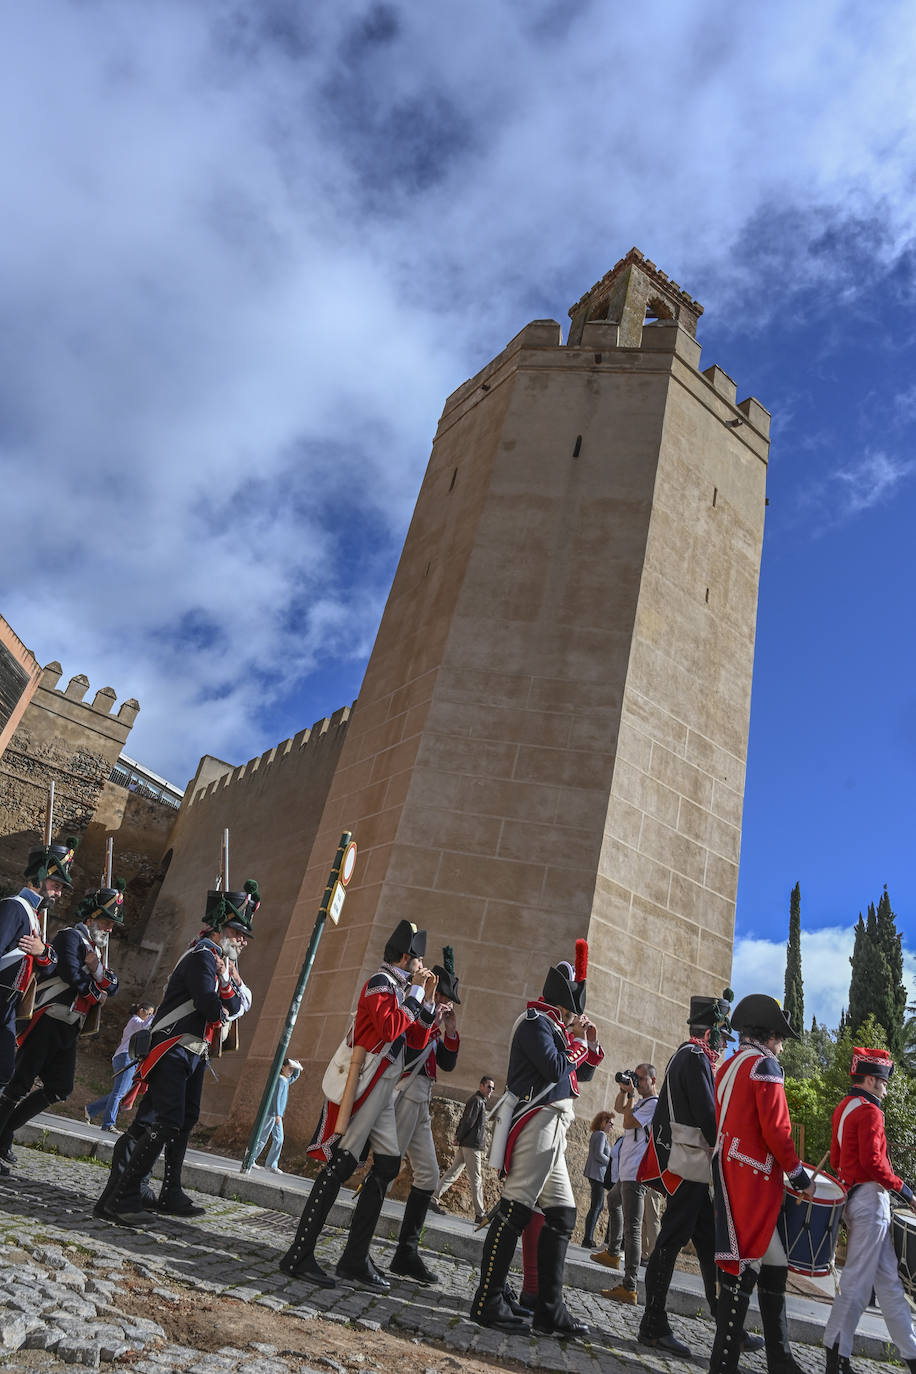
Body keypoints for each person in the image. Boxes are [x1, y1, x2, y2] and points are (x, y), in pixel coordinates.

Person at [280, 920, 437, 1292]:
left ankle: (354, 1258)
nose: (420, 966)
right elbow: (388, 1028)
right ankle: (299, 1253)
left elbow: (414, 1038)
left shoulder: (402, 988)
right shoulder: (380, 983)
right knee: (342, 1163)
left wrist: (426, 1000)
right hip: (368, 1084)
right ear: (406, 956)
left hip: (386, 1087)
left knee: (386, 1163)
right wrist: (415, 994)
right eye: (417, 960)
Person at [93, 882, 258, 1223]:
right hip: (173, 1049)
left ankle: (158, 1191)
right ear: (221, 927)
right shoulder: (202, 959)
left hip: (193, 1053)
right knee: (165, 1122)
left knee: (177, 1121)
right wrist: (226, 990)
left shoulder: (215, 962)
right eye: (238, 932)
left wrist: (228, 988)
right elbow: (214, 1009)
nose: (242, 940)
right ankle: (122, 1196)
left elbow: (229, 1004)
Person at [470, 940, 604, 1339]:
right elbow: (553, 1067)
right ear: (562, 1004)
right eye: (571, 1010)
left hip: (556, 1124)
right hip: (536, 1121)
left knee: (562, 1215)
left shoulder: (555, 1028)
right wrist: (579, 1043)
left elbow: (577, 1075)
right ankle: (487, 1301)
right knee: (515, 1210)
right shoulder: (534, 1023)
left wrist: (589, 1044)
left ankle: (549, 1309)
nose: (573, 1016)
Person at [636, 990, 757, 1358]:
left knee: (707, 1245)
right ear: (711, 1032)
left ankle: (727, 1326)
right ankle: (653, 1323)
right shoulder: (694, 1057)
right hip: (688, 1166)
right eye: (722, 1036)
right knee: (671, 1241)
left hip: (693, 1166)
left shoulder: (691, 1055)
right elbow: (708, 1116)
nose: (723, 1044)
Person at [708, 993, 815, 1374]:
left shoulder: (731, 1065)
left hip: (727, 1169)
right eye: (780, 1038)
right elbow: (777, 1130)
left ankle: (780, 1359)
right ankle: (723, 1364)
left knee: (773, 1264)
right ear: (769, 1036)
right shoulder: (765, 1066)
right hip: (751, 1176)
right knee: (743, 1266)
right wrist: (798, 1174)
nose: (782, 1046)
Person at [0, 874, 122, 1176]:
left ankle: (5, 1131)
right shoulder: (71, 936)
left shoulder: (94, 951)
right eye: (106, 921)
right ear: (92, 917)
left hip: (70, 1026)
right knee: (18, 1084)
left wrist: (96, 968)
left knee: (59, 1088)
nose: (109, 928)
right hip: (48, 1019)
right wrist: (96, 991)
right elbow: (70, 974)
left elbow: (114, 985)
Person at [823, 1047, 916, 1374]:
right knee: (857, 1285)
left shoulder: (843, 1109)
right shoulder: (871, 1112)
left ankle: (912, 1353)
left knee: (889, 1283)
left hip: (854, 1198)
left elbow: (837, 1161)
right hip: (871, 1201)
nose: (886, 1089)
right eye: (884, 1082)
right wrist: (907, 1192)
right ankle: (835, 1355)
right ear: (872, 1080)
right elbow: (876, 1164)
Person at [390, 946, 462, 1284]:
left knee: (429, 1177)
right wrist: (433, 1013)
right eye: (446, 997)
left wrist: (451, 1030)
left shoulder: (437, 1017)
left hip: (424, 1094)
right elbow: (411, 1045)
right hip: (407, 1090)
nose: (448, 1003)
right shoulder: (420, 1005)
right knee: (387, 1168)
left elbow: (446, 1063)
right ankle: (357, 1251)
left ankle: (406, 1252)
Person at [0, 839, 70, 1090]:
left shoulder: (35, 919)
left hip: (9, 1006)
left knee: (4, 1071)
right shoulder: (14, 908)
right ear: (38, 878)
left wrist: (42, 951)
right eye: (55, 885)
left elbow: (50, 967)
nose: (59, 893)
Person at [601, 1063, 657, 1305]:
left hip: (637, 1172)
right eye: (637, 1078)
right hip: (627, 1170)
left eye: (642, 1079)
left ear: (653, 1081)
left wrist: (632, 1094)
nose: (639, 1082)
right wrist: (625, 1090)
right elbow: (617, 1108)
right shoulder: (641, 1101)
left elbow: (627, 1123)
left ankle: (630, 1286)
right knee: (613, 1200)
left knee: (633, 1229)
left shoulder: (653, 1104)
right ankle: (613, 1253)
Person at [433, 1074, 495, 1222]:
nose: (491, 1090)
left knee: (453, 1173)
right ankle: (480, 1214)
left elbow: (466, 1121)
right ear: (481, 1086)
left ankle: (433, 1198)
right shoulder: (477, 1101)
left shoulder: (479, 1101)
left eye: (492, 1088)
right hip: (471, 1145)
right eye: (489, 1087)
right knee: (476, 1179)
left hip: (467, 1144)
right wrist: (458, 1137)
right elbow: (467, 1121)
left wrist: (459, 1138)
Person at [85, 1000, 155, 1131]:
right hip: (125, 1056)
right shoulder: (135, 1021)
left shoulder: (139, 1022)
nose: (150, 1016)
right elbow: (146, 1026)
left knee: (120, 1092)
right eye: (149, 1013)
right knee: (119, 1093)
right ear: (141, 1011)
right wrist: (157, 1015)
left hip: (130, 1059)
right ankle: (108, 1124)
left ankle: (91, 1110)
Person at [250, 1058, 302, 1172]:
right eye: (290, 1069)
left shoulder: (285, 1080)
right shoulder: (279, 1080)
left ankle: (271, 1165)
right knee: (263, 1137)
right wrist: (278, 1114)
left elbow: (294, 1077)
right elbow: (276, 1098)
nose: (291, 1071)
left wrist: (297, 1067)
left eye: (292, 1070)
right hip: (272, 1114)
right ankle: (250, 1159)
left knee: (279, 1139)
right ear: (282, 1067)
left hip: (276, 1115)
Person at [582, 1110, 613, 1249]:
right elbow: (599, 1155)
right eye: (610, 1123)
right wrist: (611, 1162)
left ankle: (588, 1238)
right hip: (597, 1176)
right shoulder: (601, 1135)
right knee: (597, 1207)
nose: (612, 1126)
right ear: (603, 1122)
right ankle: (587, 1239)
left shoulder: (598, 1134)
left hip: (595, 1174)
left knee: (597, 1206)